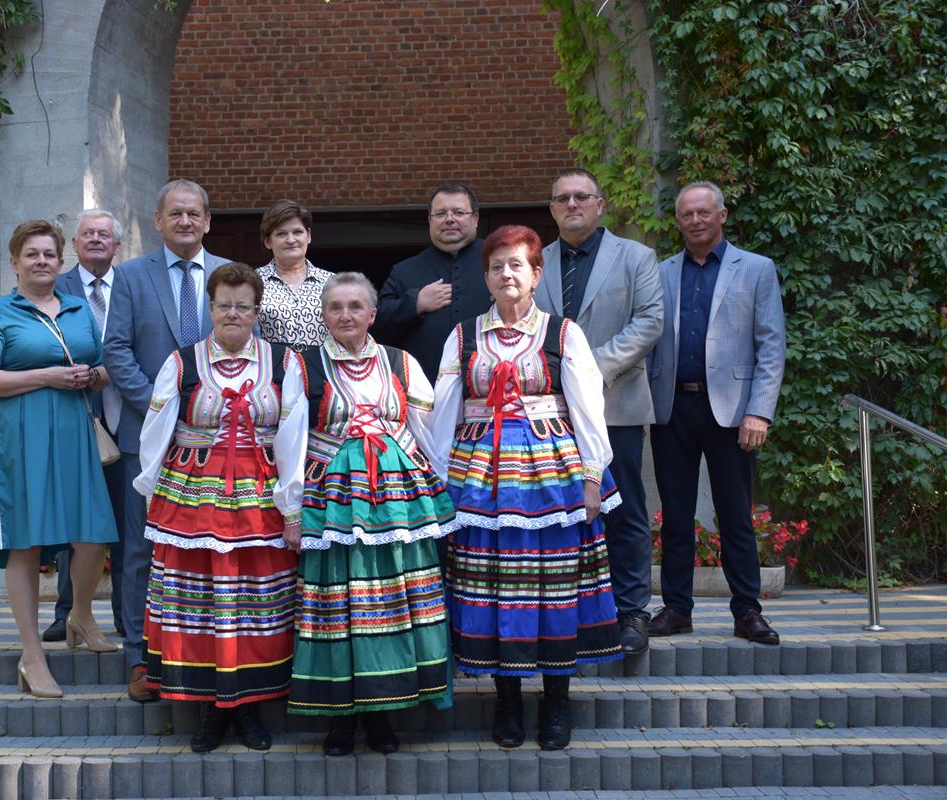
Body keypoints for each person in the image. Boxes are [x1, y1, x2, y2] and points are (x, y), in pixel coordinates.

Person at [430, 224, 622, 751]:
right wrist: (436, 478)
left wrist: (591, 476)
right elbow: (443, 412)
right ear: (486, 277)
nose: (506, 274)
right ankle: (508, 700)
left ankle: (557, 701)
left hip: (551, 478)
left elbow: (587, 404)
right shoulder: (464, 336)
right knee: (492, 584)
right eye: (496, 267)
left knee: (555, 583)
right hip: (480, 480)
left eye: (517, 265)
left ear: (536, 274)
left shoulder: (562, 334)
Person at [276, 272, 455, 757]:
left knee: (394, 600)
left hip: (397, 503)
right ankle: (341, 719)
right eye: (336, 307)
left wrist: (442, 491)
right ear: (323, 316)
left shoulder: (400, 362)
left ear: (373, 315)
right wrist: (290, 510)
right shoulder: (304, 366)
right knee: (338, 606)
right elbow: (289, 441)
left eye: (356, 306)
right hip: (331, 502)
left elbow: (430, 427)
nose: (346, 315)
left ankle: (383, 714)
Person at [132, 262, 298, 753]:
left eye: (243, 306)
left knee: (254, 602)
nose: (232, 314)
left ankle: (247, 707)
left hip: (260, 498)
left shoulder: (284, 361)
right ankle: (210, 710)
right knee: (201, 602)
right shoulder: (182, 363)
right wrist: (151, 493)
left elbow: (292, 436)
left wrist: (292, 505)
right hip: (192, 497)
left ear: (257, 311)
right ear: (210, 307)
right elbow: (156, 431)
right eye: (224, 304)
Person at [0, 220, 120, 699]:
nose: (41, 262)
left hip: (74, 432)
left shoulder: (77, 308)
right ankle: (32, 655)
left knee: (93, 536)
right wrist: (49, 376)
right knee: (27, 543)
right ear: (14, 262)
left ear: (61, 261)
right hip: (21, 436)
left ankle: (81, 615)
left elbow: (103, 368)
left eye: (49, 254)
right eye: (31, 254)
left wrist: (89, 376)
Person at [104, 179, 231, 701]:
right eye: (175, 213)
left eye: (194, 213)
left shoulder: (229, 275)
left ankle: (208, 655)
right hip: (148, 436)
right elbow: (116, 351)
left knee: (210, 546)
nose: (185, 221)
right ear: (157, 220)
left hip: (220, 441)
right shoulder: (131, 276)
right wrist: (162, 408)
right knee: (142, 548)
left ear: (207, 221)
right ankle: (139, 658)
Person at [647, 181, 786, 645]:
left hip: (733, 411)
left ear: (722, 215)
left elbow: (771, 346)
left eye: (704, 212)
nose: (695, 220)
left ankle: (747, 611)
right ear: (678, 221)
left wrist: (759, 412)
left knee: (735, 515)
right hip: (672, 407)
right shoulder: (662, 272)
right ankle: (676, 609)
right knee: (676, 515)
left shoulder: (757, 269)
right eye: (687, 214)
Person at [534, 168, 663, 657]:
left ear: (599, 204)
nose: (572, 204)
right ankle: (571, 613)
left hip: (615, 404)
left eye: (581, 196)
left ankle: (632, 613)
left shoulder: (635, 257)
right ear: (552, 208)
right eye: (562, 198)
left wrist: (585, 371)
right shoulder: (535, 261)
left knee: (624, 509)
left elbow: (649, 322)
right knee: (559, 513)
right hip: (548, 411)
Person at [45, 209, 127, 643]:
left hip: (127, 415)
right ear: (74, 244)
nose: (96, 239)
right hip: (74, 415)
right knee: (73, 523)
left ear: (117, 244)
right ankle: (67, 614)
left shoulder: (132, 285)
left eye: (104, 234)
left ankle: (125, 616)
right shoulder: (56, 288)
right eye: (87, 234)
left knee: (125, 524)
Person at [374, 181, 492, 377]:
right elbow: (375, 327)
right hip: (425, 387)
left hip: (490, 385)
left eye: (459, 212)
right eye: (440, 213)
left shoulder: (498, 262)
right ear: (430, 220)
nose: (449, 219)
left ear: (476, 218)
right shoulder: (404, 271)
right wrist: (414, 304)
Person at [255, 199, 333, 350]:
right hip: (272, 363)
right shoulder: (253, 283)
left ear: (308, 235)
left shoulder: (332, 282)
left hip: (322, 363)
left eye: (297, 232)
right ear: (268, 241)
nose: (291, 240)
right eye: (281, 234)